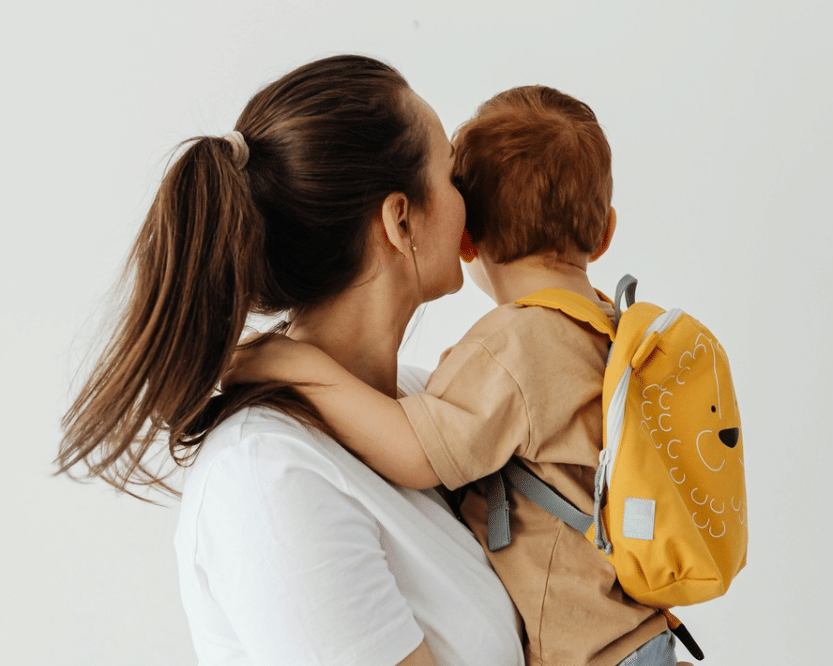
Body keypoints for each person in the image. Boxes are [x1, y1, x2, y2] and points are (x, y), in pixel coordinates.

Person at [56, 55, 524, 666]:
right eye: (453, 178)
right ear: (400, 220)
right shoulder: (268, 478)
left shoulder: (422, 408)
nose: (473, 202)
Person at [228, 86, 695, 666]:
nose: (463, 204)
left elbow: (414, 451)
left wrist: (288, 362)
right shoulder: (604, 328)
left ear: (473, 239)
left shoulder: (497, 359)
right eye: (452, 179)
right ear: (605, 232)